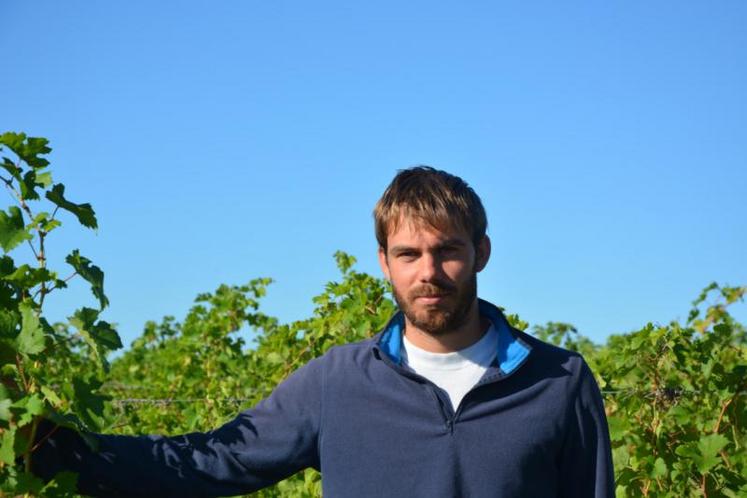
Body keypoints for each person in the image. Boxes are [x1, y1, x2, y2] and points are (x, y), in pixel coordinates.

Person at [34, 167, 614, 497]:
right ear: (385, 263)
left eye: (448, 251)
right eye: (408, 254)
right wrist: (53, 451)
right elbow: (215, 460)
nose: (428, 273)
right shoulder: (337, 382)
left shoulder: (558, 382)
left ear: (481, 252)